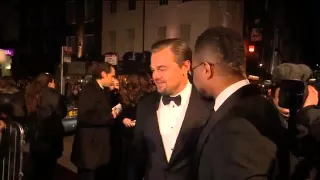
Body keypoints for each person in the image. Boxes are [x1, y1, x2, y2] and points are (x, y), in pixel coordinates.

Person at [192, 27, 286, 180]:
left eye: (192, 70)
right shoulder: (262, 105)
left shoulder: (236, 125)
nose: (193, 76)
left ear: (206, 69)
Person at [127, 38, 211, 180]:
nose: (155, 76)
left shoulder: (209, 106)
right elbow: (137, 157)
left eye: (162, 69)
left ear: (185, 67)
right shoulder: (145, 106)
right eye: (153, 70)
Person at [71, 62, 118, 180]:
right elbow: (85, 116)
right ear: (103, 74)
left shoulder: (104, 90)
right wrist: (108, 117)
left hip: (99, 147)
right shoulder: (89, 90)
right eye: (112, 76)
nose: (113, 79)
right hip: (89, 148)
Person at [24, 73, 67, 180]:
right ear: (50, 82)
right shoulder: (54, 96)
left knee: (36, 169)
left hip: (35, 137)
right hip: (50, 138)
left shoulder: (31, 93)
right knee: (48, 170)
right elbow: (61, 112)